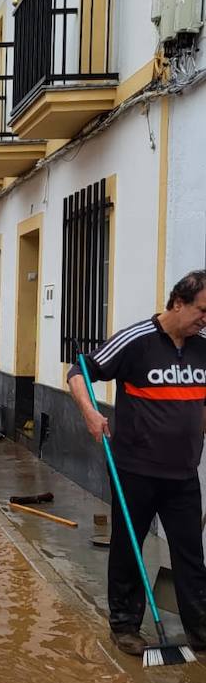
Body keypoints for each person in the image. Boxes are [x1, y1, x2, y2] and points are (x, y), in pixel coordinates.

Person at [68, 269, 206, 656]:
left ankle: (200, 629)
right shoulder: (136, 340)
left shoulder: (203, 345)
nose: (204, 319)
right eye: (202, 310)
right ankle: (125, 626)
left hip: (183, 472)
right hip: (135, 469)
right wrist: (90, 414)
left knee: (190, 552)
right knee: (129, 549)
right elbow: (79, 372)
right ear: (178, 302)